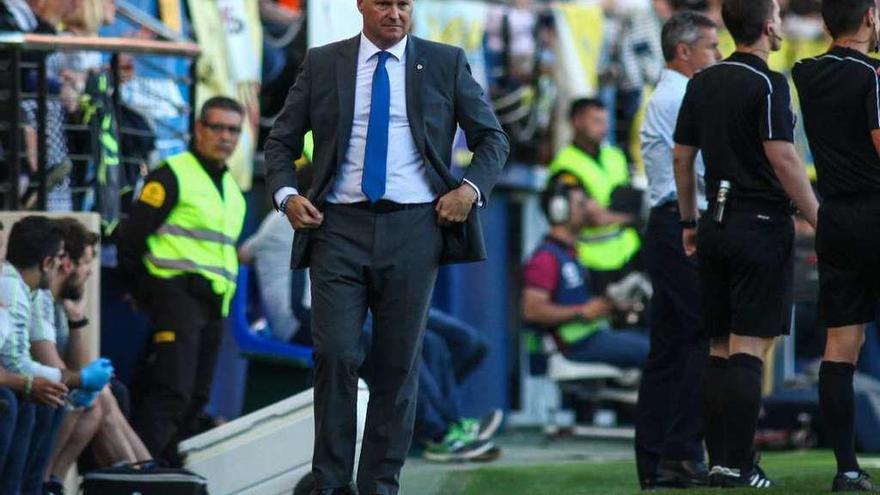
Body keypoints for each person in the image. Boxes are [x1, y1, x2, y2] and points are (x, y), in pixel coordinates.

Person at [265, 0, 509, 491]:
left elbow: (493, 139)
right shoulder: (323, 62)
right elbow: (280, 143)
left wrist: (469, 191)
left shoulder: (444, 61)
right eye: (383, 3)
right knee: (335, 353)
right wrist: (288, 197)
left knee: (398, 364)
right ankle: (332, 483)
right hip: (337, 227)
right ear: (361, 5)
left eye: (404, 4)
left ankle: (379, 484)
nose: (394, 13)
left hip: (415, 228)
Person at [673, 0, 819, 487]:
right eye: (776, 14)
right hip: (758, 224)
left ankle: (718, 461)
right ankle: (739, 463)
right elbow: (782, 156)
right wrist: (818, 216)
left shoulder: (703, 81)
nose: (780, 23)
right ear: (767, 25)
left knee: (719, 347)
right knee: (749, 349)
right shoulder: (769, 81)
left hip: (712, 222)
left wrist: (688, 220)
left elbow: (682, 155)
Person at [116, 96, 248, 464]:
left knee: (196, 396)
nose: (225, 136)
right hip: (175, 294)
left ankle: (170, 472)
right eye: (217, 127)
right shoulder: (173, 173)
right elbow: (130, 237)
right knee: (171, 392)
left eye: (232, 130)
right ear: (199, 130)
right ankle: (138, 476)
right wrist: (144, 290)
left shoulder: (234, 192)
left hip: (215, 302)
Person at [792, 0, 880, 490]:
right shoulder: (873, 77)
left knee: (839, 348)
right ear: (869, 16)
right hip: (875, 208)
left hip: (836, 218)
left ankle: (846, 469)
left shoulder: (806, 72)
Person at [634, 10, 720, 490]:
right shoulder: (681, 96)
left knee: (669, 347)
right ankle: (682, 451)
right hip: (680, 222)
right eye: (711, 48)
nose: (719, 56)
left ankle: (655, 461)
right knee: (703, 334)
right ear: (683, 51)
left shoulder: (669, 95)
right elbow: (700, 168)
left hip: (668, 222)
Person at [28, 218, 151, 495]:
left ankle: (143, 475)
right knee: (98, 395)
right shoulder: (40, 301)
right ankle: (142, 477)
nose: (89, 272)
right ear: (66, 263)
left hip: (50, 387)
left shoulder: (61, 304)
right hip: (31, 388)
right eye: (85, 262)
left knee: (104, 394)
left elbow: (78, 369)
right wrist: (85, 378)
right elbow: (59, 369)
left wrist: (77, 318)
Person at [0, 216, 113, 493]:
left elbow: (32, 358)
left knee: (51, 398)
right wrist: (75, 380)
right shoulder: (11, 288)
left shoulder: (32, 292)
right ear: (48, 262)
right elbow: (16, 362)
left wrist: (74, 377)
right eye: (64, 257)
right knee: (25, 401)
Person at [521, 174, 650, 370]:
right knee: (658, 352)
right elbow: (532, 310)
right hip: (576, 346)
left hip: (593, 336)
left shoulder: (569, 253)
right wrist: (581, 312)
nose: (589, 209)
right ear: (560, 211)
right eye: (581, 204)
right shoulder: (546, 258)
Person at [548, 98, 640, 291]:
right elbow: (593, 218)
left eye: (605, 122)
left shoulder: (615, 156)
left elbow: (629, 199)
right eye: (596, 121)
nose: (603, 128)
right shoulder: (566, 165)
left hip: (628, 255)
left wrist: (616, 215)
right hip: (591, 261)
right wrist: (633, 217)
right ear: (577, 121)